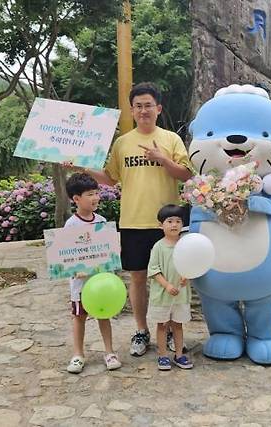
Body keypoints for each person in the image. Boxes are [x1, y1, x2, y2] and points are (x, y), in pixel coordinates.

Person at [76, 82, 193, 357]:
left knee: (173, 277)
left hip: (168, 223)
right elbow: (111, 178)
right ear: (131, 110)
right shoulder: (122, 143)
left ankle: (173, 331)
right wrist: (84, 167)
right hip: (132, 222)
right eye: (138, 106)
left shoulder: (171, 140)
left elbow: (186, 175)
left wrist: (162, 158)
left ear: (158, 108)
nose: (143, 110)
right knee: (138, 278)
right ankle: (141, 330)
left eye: (148, 105)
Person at [64, 173, 122, 373]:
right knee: (79, 317)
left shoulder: (102, 221)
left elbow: (108, 251)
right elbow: (66, 255)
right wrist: (75, 269)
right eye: (90, 194)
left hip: (101, 284)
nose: (95, 197)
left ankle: (109, 351)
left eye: (97, 193)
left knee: (103, 315)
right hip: (81, 285)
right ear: (76, 199)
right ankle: (78, 354)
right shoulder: (71, 225)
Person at [147, 204, 193, 371]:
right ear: (161, 225)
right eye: (169, 221)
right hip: (162, 296)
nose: (174, 225)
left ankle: (179, 354)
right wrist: (166, 285)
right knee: (162, 325)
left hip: (180, 295)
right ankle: (163, 355)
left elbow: (191, 265)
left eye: (178, 221)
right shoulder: (158, 247)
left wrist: (186, 276)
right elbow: (153, 270)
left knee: (178, 325)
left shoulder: (185, 244)